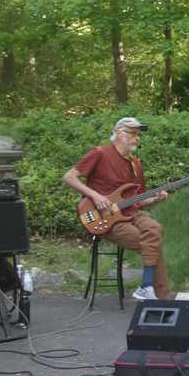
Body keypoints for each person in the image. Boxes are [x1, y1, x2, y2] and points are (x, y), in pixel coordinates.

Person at [63, 117, 170, 300]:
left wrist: (155, 199)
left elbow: (138, 200)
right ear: (118, 133)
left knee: (154, 229)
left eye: (139, 135)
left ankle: (147, 288)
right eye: (132, 133)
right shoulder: (100, 153)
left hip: (131, 212)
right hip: (104, 218)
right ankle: (162, 299)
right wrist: (95, 196)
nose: (137, 138)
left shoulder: (135, 164)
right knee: (150, 243)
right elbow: (69, 177)